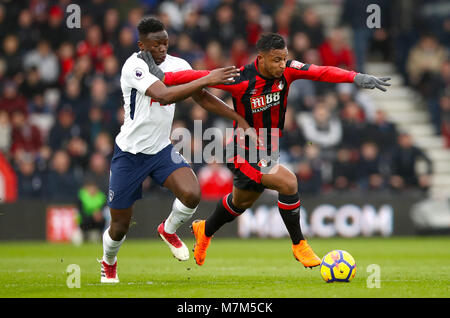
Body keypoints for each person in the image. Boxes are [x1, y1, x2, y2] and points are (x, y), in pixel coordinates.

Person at [151, 33, 390, 268]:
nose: (281, 64)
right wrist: (160, 76)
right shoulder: (241, 78)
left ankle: (205, 230)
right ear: (261, 58)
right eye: (276, 59)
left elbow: (321, 71)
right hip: (243, 149)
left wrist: (355, 77)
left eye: (284, 58)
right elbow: (198, 76)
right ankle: (299, 244)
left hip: (268, 147)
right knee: (288, 182)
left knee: (240, 202)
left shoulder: (288, 70)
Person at [100, 17, 250, 283]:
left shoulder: (179, 64)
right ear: (141, 45)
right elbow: (163, 95)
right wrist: (207, 76)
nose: (162, 48)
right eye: (156, 44)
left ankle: (168, 230)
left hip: (160, 149)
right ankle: (108, 262)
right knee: (120, 225)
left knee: (192, 193)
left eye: (165, 43)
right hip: (130, 153)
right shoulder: (133, 66)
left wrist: (236, 117)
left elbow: (201, 97)